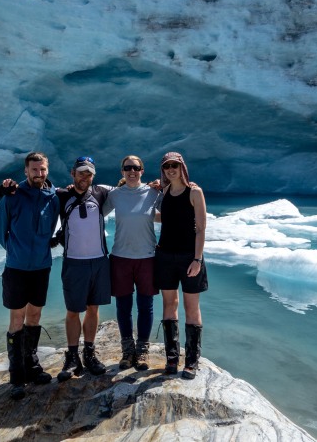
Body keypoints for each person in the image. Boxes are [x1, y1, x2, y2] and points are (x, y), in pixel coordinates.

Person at [0, 152, 59, 399]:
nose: (39, 174)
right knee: (17, 318)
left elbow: (51, 228)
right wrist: (14, 250)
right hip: (17, 268)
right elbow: (0, 230)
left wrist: (45, 245)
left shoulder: (52, 198)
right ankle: (16, 374)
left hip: (41, 267)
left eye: (42, 169)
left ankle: (32, 367)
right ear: (26, 171)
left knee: (35, 314)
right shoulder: (12, 197)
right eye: (34, 170)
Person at [54, 156, 112, 381]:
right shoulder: (63, 195)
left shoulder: (100, 193)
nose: (84, 177)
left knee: (93, 308)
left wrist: (158, 185)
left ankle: (89, 352)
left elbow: (128, 186)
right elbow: (39, 189)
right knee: (72, 311)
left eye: (88, 173)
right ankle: (71, 356)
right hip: (74, 262)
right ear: (73, 173)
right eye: (81, 173)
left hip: (99, 260)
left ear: (93, 175)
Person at [103, 155, 161, 371]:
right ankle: (128, 351)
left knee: (146, 306)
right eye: (127, 168)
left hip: (147, 257)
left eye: (136, 168)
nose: (132, 171)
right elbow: (95, 214)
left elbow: (172, 210)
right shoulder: (115, 195)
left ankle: (143, 350)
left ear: (142, 171)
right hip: (121, 257)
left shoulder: (154, 193)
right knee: (123, 306)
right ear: (122, 171)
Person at [155, 151, 208, 379]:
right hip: (165, 255)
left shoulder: (194, 192)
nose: (171, 169)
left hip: (189, 257)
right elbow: (166, 217)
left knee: (191, 307)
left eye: (175, 165)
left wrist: (197, 259)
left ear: (182, 167)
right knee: (169, 305)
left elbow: (201, 228)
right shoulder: (165, 191)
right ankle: (172, 358)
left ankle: (192, 361)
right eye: (167, 166)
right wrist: (140, 214)